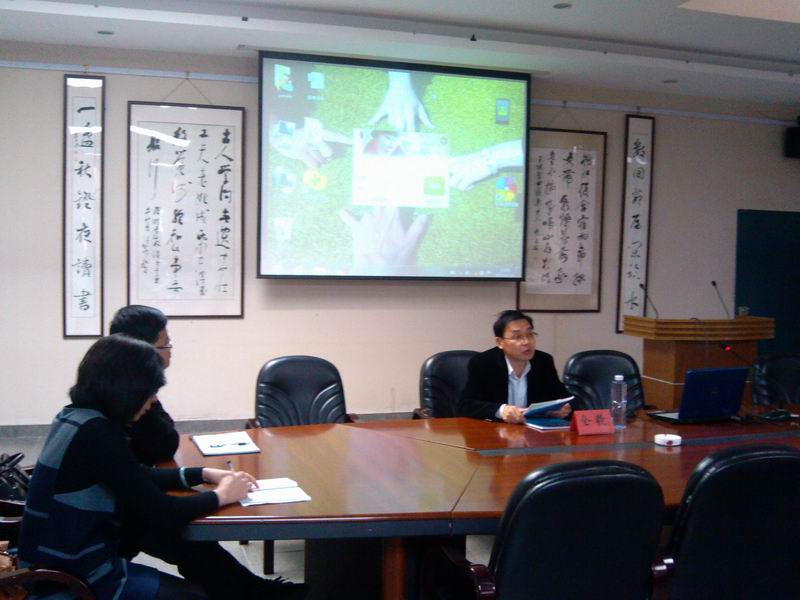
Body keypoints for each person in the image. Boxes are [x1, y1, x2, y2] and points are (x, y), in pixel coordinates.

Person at [17, 335, 308, 600]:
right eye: (150, 392)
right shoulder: (99, 433)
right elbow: (163, 511)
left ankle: (257, 593)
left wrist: (202, 474)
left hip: (57, 555)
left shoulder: (75, 417)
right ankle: (257, 593)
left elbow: (132, 475)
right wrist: (222, 495)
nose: (153, 400)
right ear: (127, 390)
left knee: (182, 542)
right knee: (191, 590)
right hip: (71, 577)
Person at [459, 310, 571, 423]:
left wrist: (561, 409)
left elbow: (565, 398)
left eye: (530, 334)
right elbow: (466, 405)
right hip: (495, 430)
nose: (526, 342)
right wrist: (501, 410)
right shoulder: (483, 363)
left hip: (533, 430)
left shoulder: (543, 362)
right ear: (499, 342)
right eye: (517, 337)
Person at [109, 305, 178, 466]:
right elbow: (165, 445)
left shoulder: (119, 377)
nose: (170, 349)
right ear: (142, 348)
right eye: (165, 344)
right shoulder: (129, 390)